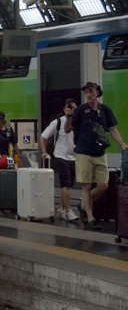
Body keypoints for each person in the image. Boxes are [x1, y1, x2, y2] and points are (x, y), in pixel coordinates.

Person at [70, 81, 128, 229]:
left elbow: (112, 129)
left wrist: (122, 144)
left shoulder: (105, 110)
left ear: (97, 93)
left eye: (91, 91)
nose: (88, 94)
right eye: (86, 92)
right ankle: (90, 218)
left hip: (100, 153)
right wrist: (69, 115)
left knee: (103, 185)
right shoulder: (80, 111)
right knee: (86, 186)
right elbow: (68, 128)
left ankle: (83, 204)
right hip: (83, 152)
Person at [40, 98, 79, 221]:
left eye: (73, 107)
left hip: (73, 157)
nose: (71, 110)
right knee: (65, 185)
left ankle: (62, 209)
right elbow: (43, 136)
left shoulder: (78, 121)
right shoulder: (57, 122)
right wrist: (44, 152)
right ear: (64, 109)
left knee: (69, 185)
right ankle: (68, 211)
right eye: (69, 107)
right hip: (60, 156)